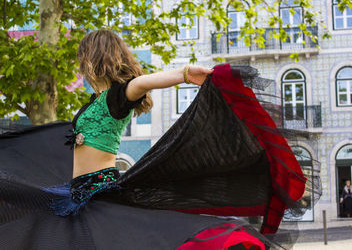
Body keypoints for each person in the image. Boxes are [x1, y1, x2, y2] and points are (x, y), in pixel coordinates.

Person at [0, 29, 319, 250]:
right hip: (73, 194)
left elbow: (143, 82)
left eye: (83, 58)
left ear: (95, 58)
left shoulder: (116, 96)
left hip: (97, 193)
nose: (80, 65)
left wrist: (184, 74)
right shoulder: (93, 102)